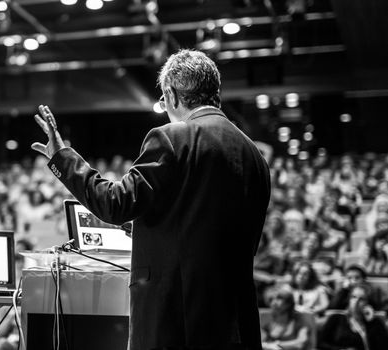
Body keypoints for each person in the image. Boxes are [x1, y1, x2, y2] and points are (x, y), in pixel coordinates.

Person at [31, 49, 271, 350]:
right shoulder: (254, 156)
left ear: (171, 95)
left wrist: (62, 157)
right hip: (235, 323)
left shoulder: (173, 136)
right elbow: (207, 227)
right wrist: (150, 229)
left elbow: (115, 203)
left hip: (176, 320)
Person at [319, 284, 388, 350]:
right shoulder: (336, 318)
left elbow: (383, 347)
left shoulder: (375, 322)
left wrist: (371, 323)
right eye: (353, 297)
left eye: (361, 299)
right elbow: (320, 343)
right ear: (349, 300)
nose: (356, 301)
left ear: (368, 303)